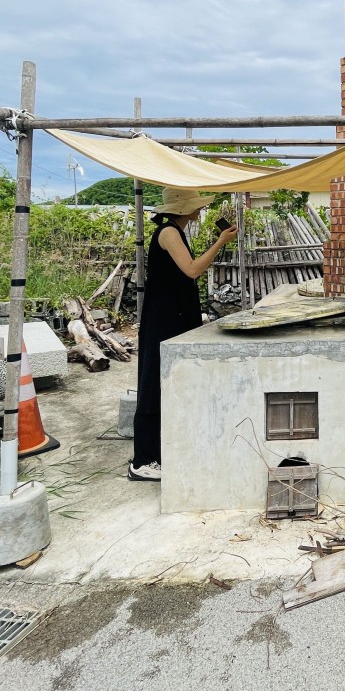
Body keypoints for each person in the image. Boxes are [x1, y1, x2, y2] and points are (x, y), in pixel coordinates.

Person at [130, 188, 238, 482]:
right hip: (163, 317)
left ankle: (161, 451)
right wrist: (220, 241)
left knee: (170, 381)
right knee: (153, 382)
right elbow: (192, 270)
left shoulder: (176, 231)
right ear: (184, 208)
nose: (199, 211)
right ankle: (142, 460)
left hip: (173, 315)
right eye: (196, 206)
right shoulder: (168, 232)